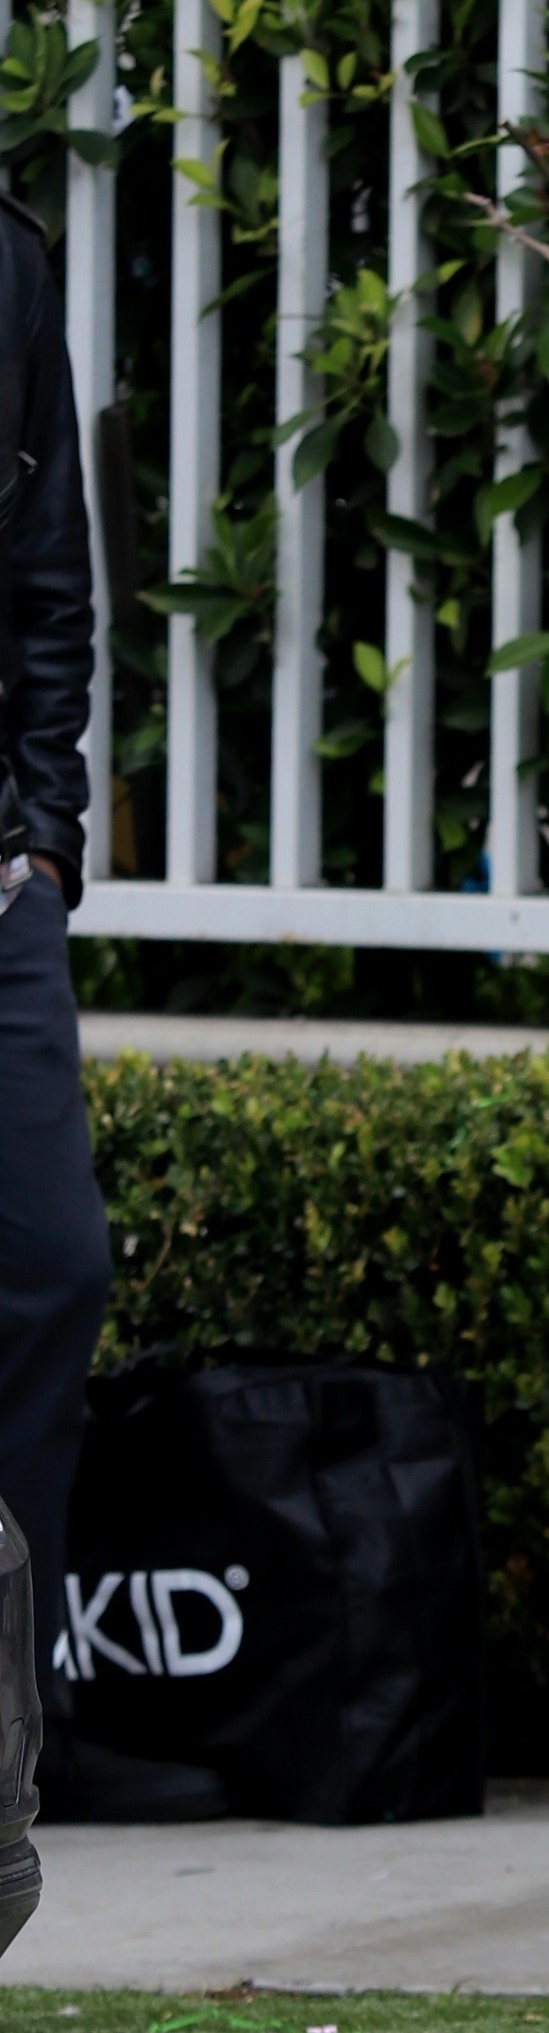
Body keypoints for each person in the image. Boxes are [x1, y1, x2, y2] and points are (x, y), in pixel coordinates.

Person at [0, 191, 112, 1807]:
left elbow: (46, 573)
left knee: (50, 1267)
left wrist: (42, 836)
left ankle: (6, 1746)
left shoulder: (8, 256)